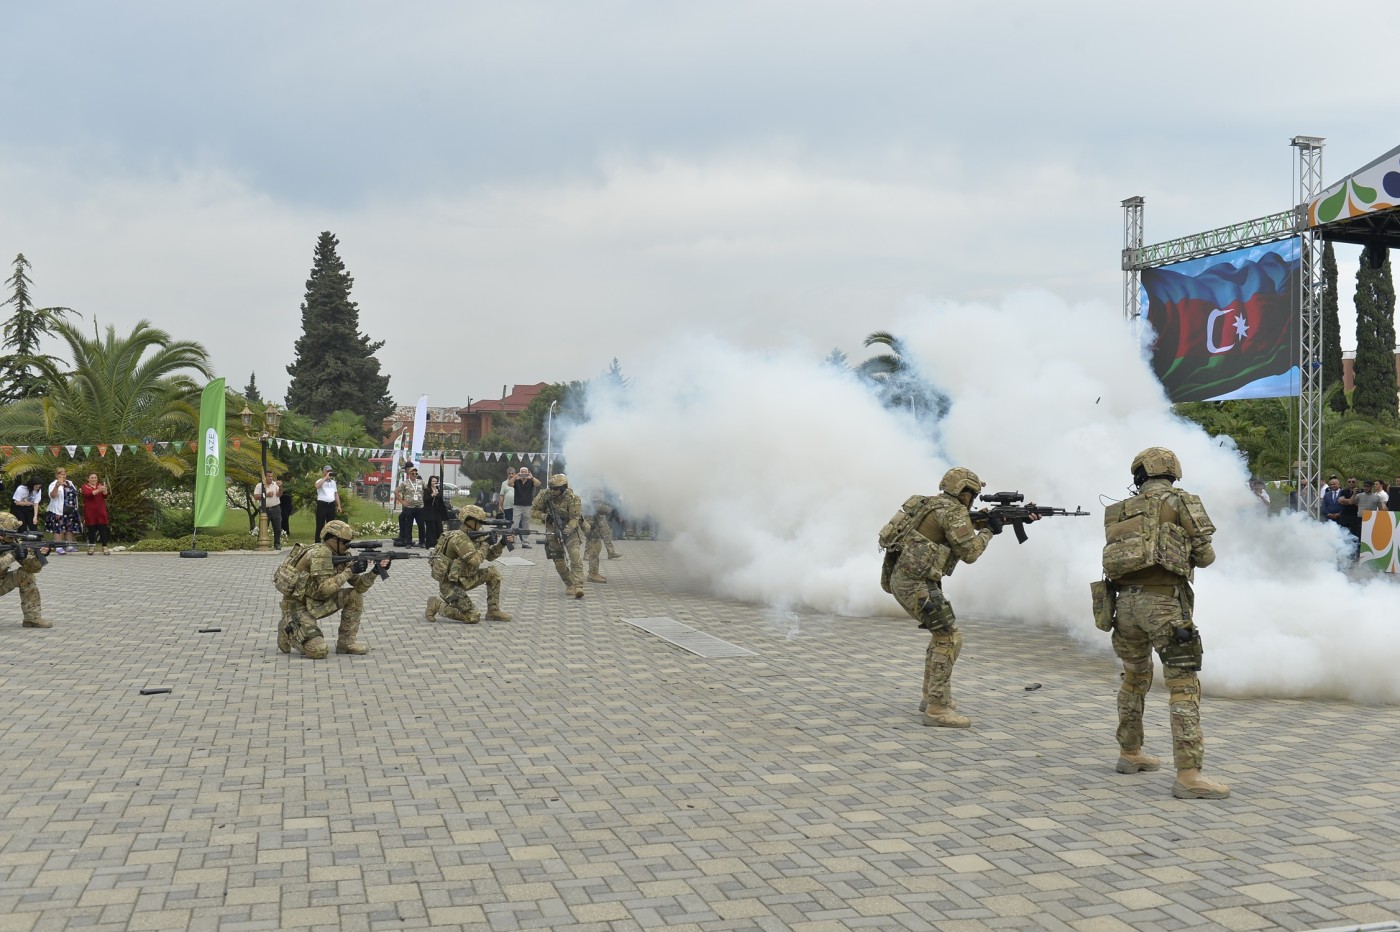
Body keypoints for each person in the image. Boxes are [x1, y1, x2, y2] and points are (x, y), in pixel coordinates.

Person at [1100, 446, 1228, 800]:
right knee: (1184, 686)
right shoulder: (1181, 501)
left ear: (1139, 474)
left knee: (1135, 678)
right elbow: (1205, 556)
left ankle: (1130, 753)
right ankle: (1189, 775)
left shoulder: (1118, 510)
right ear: (1172, 470)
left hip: (1124, 605)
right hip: (1163, 605)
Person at [880, 467, 1010, 729]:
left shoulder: (930, 503)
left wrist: (985, 520)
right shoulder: (953, 511)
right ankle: (937, 709)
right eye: (972, 494)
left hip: (904, 580)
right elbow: (970, 552)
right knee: (949, 638)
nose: (972, 499)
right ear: (964, 492)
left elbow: (951, 527)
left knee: (941, 634)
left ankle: (931, 696)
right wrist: (989, 531)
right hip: (915, 584)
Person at [276, 519, 386, 659]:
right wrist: (350, 570)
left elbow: (359, 586)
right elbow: (325, 589)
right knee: (318, 651)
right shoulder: (319, 554)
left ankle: (346, 643)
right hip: (297, 606)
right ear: (333, 540)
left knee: (354, 595)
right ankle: (287, 628)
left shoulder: (341, 555)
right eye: (345, 542)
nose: (348, 546)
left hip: (317, 603)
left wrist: (375, 572)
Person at [425, 505, 514, 624]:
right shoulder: (459, 538)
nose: (482, 525)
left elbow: (490, 556)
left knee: (493, 573)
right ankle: (436, 605)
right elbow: (476, 560)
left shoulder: (474, 535)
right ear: (470, 521)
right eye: (480, 522)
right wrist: (487, 543)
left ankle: (493, 611)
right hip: (451, 586)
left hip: (466, 579)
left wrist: (501, 544)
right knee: (473, 616)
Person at [533, 473, 586, 598]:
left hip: (571, 531)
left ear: (563, 488)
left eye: (555, 489)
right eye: (551, 488)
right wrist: (545, 516)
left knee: (575, 556)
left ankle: (579, 585)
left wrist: (567, 530)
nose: (552, 491)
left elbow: (575, 517)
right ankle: (569, 583)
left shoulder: (573, 498)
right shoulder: (545, 495)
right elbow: (533, 510)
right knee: (559, 562)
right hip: (553, 531)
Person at [0, 512, 52, 627]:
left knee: (25, 575)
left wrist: (40, 556)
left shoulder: (13, 542)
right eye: (10, 532)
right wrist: (13, 555)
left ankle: (32, 618)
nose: (14, 535)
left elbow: (32, 568)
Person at [584, 490, 622, 583]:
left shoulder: (593, 486)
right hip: (591, 521)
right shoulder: (594, 488)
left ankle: (594, 572)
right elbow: (598, 507)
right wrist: (611, 507)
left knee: (596, 546)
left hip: (593, 519)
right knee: (595, 547)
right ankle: (592, 574)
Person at [45, 468, 81, 554]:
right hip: (58, 510)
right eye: (60, 474)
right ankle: (58, 547)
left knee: (69, 528)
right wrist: (57, 486)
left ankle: (69, 546)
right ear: (56, 476)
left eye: (64, 474)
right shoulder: (53, 484)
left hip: (71, 510)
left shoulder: (70, 483)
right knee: (58, 528)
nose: (63, 475)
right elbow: (52, 496)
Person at [80, 473, 111, 555]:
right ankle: (91, 547)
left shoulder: (100, 485)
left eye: (95, 478)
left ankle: (105, 547)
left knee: (103, 529)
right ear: (88, 479)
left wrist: (105, 491)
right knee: (91, 530)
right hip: (90, 511)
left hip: (101, 510)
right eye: (92, 478)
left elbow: (105, 496)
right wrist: (98, 490)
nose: (94, 479)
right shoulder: (84, 486)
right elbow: (88, 494)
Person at [511, 467, 541, 549]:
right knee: (515, 524)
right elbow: (509, 484)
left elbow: (538, 484)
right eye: (522, 472)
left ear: (528, 472)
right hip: (517, 506)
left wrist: (532, 477)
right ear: (519, 472)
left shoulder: (531, 481)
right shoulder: (516, 481)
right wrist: (515, 476)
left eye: (525, 472)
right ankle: (512, 542)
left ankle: (525, 542)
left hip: (527, 506)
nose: (524, 473)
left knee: (526, 525)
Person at [395, 465, 425, 547]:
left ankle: (422, 541)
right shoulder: (405, 483)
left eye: (416, 474)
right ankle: (408, 542)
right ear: (409, 474)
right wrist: (402, 501)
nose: (414, 475)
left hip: (419, 507)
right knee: (409, 525)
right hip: (409, 507)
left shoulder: (421, 482)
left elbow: (425, 490)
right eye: (412, 474)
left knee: (421, 525)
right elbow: (396, 491)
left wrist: (423, 497)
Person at [252, 470, 282, 550]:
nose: (270, 478)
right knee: (263, 527)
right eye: (269, 476)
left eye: (272, 476)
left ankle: (277, 544)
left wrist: (280, 486)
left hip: (276, 508)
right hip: (265, 510)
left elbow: (279, 494)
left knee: (278, 528)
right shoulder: (260, 485)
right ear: (265, 477)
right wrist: (266, 495)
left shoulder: (275, 485)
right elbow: (256, 496)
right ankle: (261, 543)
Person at [422, 474, 451, 549]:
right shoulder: (427, 490)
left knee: (438, 527)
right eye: (433, 481)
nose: (435, 482)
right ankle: (430, 544)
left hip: (437, 511)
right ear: (430, 482)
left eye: (436, 481)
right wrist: (432, 495)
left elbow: (441, 501)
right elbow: (425, 500)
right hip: (429, 511)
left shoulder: (438, 490)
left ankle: (438, 543)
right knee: (431, 528)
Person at [313, 466, 341, 541]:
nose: (330, 473)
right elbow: (317, 486)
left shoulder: (333, 483)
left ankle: (328, 540)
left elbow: (336, 494)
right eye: (328, 471)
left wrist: (339, 505)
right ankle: (317, 540)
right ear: (324, 472)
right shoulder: (320, 481)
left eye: (330, 471)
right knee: (320, 523)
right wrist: (325, 478)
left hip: (331, 505)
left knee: (330, 524)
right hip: (322, 504)